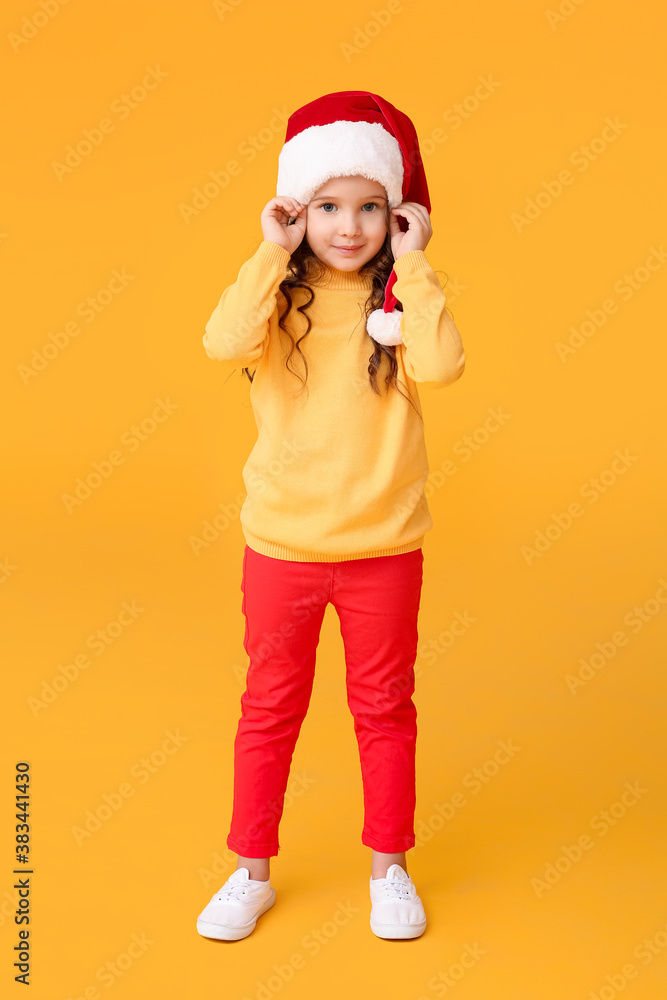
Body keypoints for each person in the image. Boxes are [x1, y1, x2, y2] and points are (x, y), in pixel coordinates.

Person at [196, 91, 466, 942]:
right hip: (283, 546)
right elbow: (221, 341)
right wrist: (267, 251)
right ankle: (251, 872)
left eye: (369, 208)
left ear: (397, 215)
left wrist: (416, 267)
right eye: (326, 207)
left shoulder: (404, 298)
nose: (347, 227)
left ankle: (390, 868)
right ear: (297, 210)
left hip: (384, 548)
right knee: (269, 706)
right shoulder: (277, 296)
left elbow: (444, 364)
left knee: (385, 707)